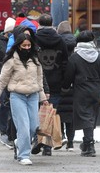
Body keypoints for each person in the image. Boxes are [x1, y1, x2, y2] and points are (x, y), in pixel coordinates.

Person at [0, 33, 48, 166]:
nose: (27, 48)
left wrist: (43, 98)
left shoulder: (36, 60)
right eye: (24, 45)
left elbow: (39, 80)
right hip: (17, 96)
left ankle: (19, 142)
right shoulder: (11, 60)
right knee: (23, 126)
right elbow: (2, 80)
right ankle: (23, 155)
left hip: (33, 96)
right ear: (18, 46)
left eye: (29, 45)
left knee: (34, 126)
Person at [62, 30, 100, 157]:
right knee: (91, 116)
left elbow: (68, 76)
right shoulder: (98, 57)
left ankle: (89, 145)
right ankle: (86, 144)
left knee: (85, 116)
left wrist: (65, 87)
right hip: (96, 90)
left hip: (81, 90)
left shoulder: (75, 58)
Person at [34, 13, 68, 156]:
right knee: (51, 113)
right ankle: (47, 146)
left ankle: (37, 139)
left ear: (39, 24)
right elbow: (65, 62)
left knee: (36, 113)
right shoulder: (60, 40)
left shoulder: (34, 38)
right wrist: (65, 82)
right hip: (55, 81)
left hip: (37, 80)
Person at [0, 17, 15, 149]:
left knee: (12, 106)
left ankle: (10, 133)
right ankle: (3, 131)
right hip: (1, 79)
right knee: (5, 106)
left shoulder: (17, 41)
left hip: (14, 80)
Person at [56, 20, 77, 151]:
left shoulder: (57, 42)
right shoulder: (77, 43)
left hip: (59, 82)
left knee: (59, 112)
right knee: (71, 113)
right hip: (74, 83)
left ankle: (61, 136)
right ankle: (70, 142)